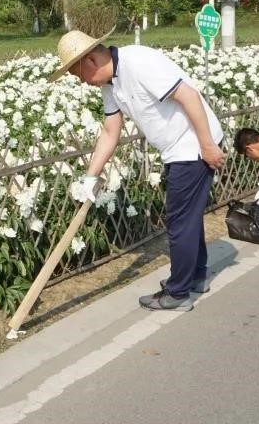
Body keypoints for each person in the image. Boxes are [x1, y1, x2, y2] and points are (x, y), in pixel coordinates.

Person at [51, 29, 226, 312]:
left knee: (179, 221)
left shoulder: (139, 62)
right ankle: (195, 276)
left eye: (78, 75)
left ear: (91, 61)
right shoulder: (111, 83)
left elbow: (189, 96)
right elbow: (110, 132)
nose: (82, 82)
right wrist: (91, 176)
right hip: (178, 149)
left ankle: (178, 293)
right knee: (187, 218)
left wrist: (206, 145)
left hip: (192, 144)